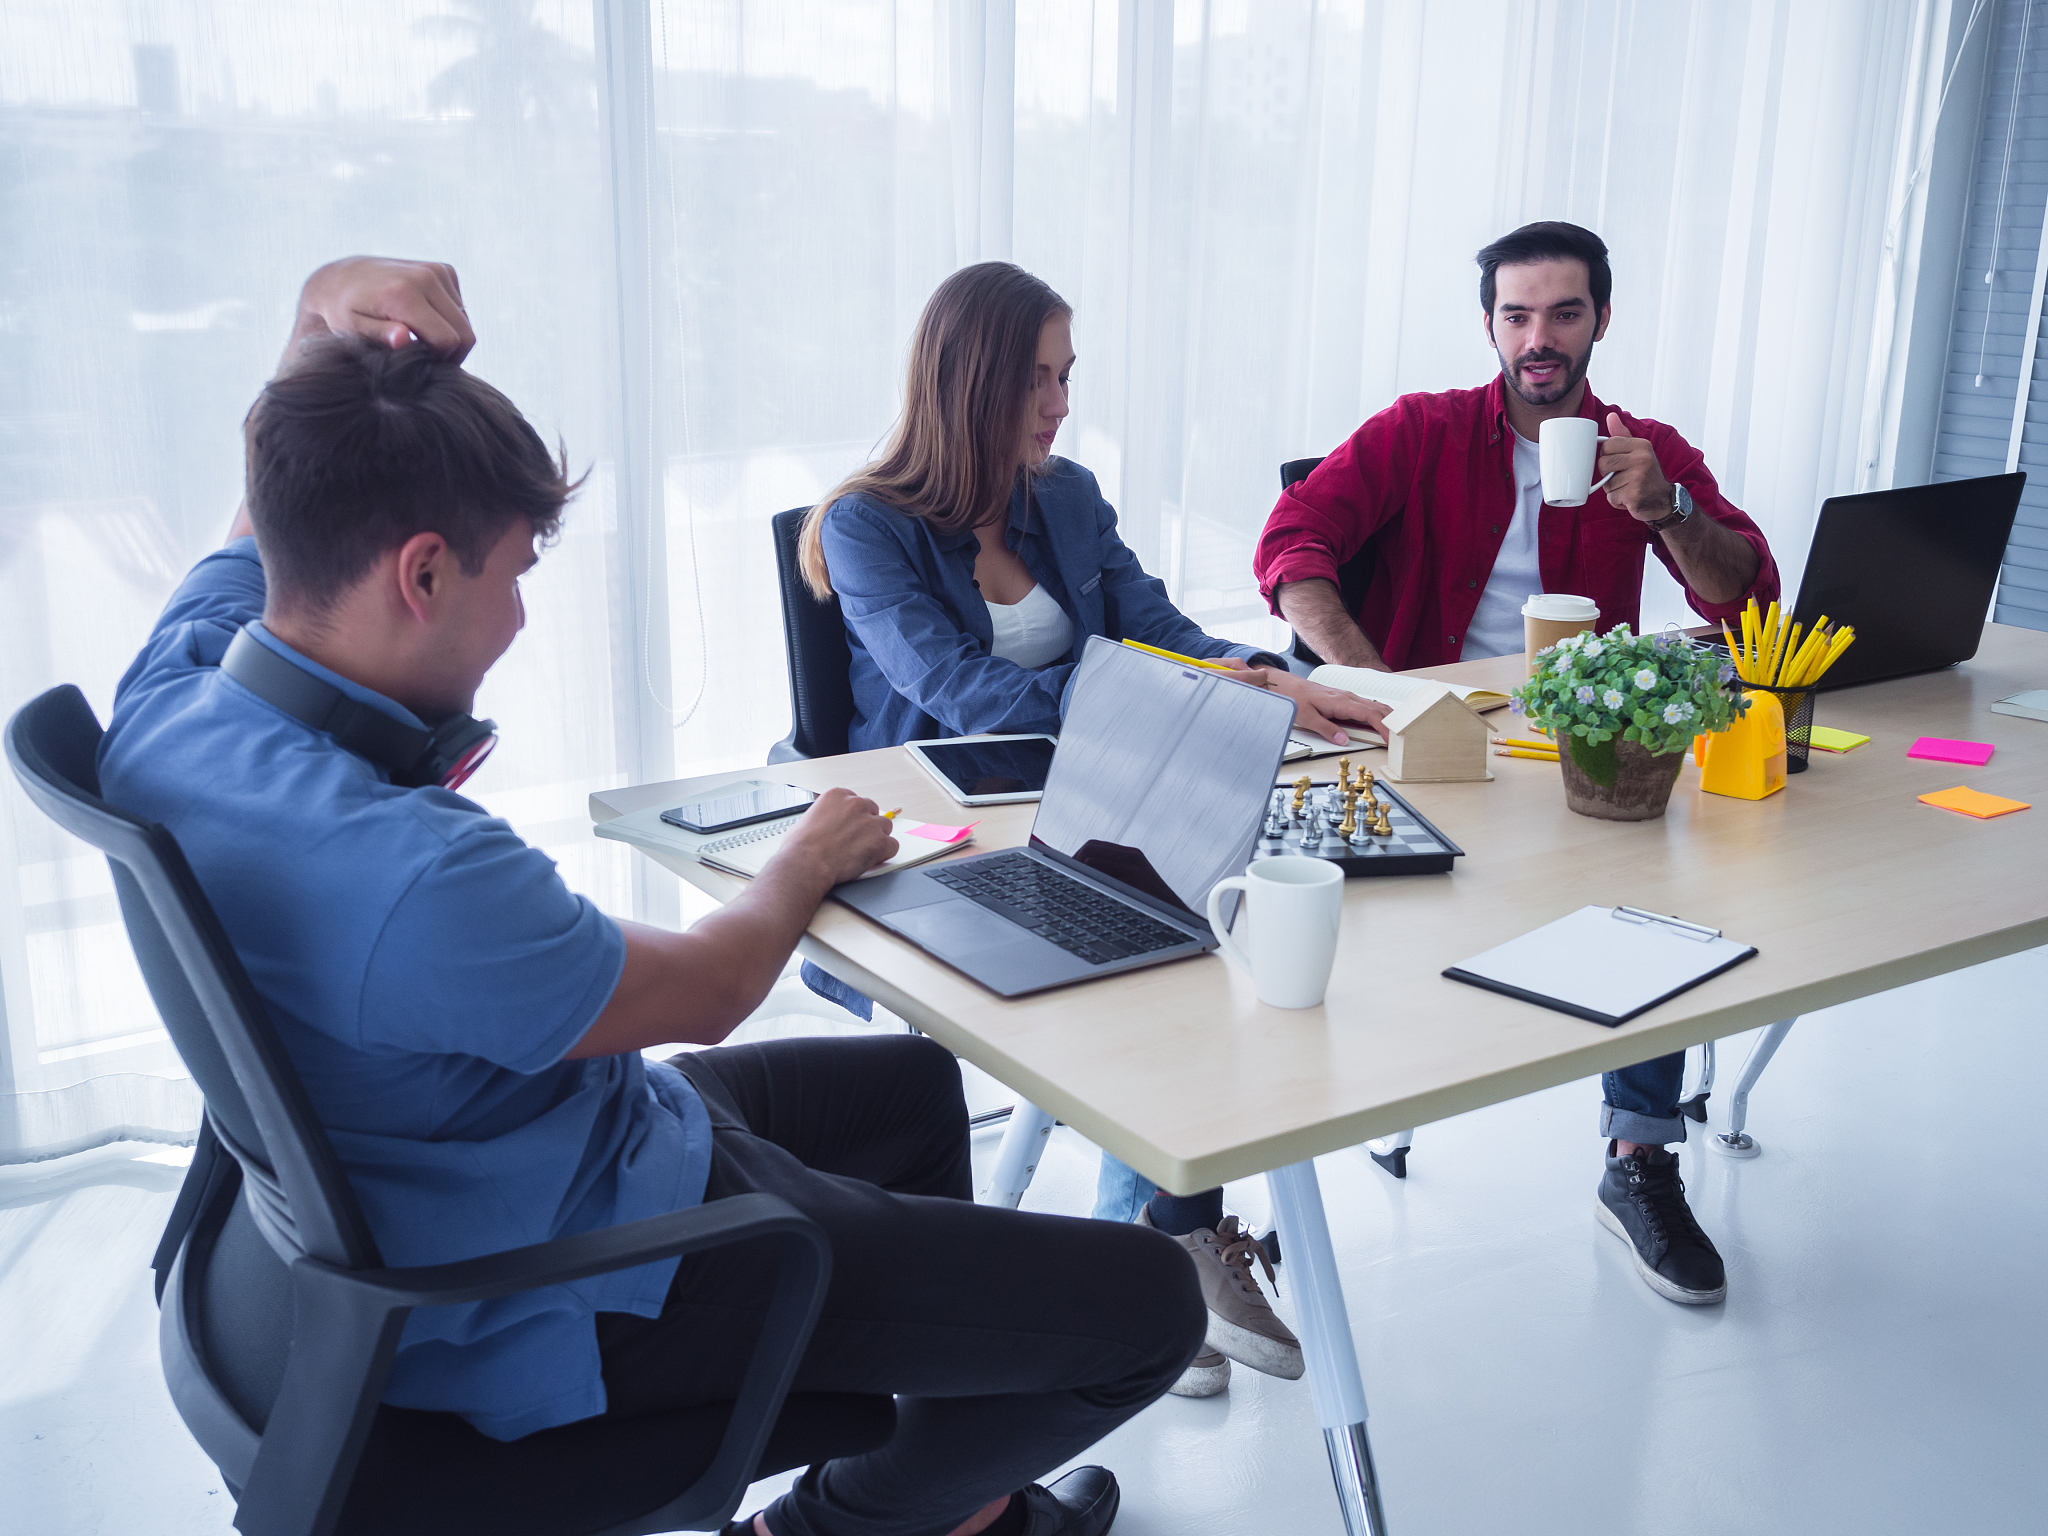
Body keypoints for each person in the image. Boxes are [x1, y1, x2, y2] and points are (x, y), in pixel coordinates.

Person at [98, 257, 1209, 1536]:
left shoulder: (181, 696)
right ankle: (839, 1525)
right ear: (418, 573)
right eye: (513, 573)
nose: (519, 620)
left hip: (495, 1166)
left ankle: (948, 1510)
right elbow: (715, 988)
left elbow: (276, 507)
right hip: (579, 1277)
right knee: (1147, 1312)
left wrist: (311, 341)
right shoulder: (413, 870)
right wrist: (807, 854)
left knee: (908, 1093)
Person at [798, 260, 1381, 1398]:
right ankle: (1167, 1251)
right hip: (957, 832)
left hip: (1103, 793)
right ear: (967, 384)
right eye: (1038, 380)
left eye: (1068, 376)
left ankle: (1163, 1245)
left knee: (1217, 930)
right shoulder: (867, 526)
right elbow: (964, 693)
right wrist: (1176, 695)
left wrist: (1265, 675)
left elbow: (1153, 626)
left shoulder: (1063, 496)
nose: (1061, 404)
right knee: (1165, 946)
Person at [1254, 221, 1779, 1307]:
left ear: (1599, 319)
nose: (1537, 339)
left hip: (1573, 749)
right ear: (1488, 322)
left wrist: (1668, 513)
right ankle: (1251, 1175)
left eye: (1563, 313)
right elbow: (1290, 547)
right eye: (1516, 315)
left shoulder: (1646, 449)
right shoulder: (1421, 433)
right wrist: (1372, 680)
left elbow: (1748, 597)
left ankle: (1637, 1159)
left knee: (1663, 886)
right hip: (1429, 739)